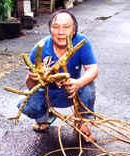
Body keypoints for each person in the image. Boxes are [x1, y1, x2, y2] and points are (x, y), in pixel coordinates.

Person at [18, 9, 98, 140]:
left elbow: (93, 69)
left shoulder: (81, 42)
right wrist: (31, 78)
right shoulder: (40, 48)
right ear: (50, 30)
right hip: (49, 93)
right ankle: (43, 118)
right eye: (56, 27)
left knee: (88, 86)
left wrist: (78, 83)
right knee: (27, 103)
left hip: (71, 91)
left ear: (74, 30)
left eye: (66, 27)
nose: (61, 32)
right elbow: (30, 86)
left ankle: (82, 122)